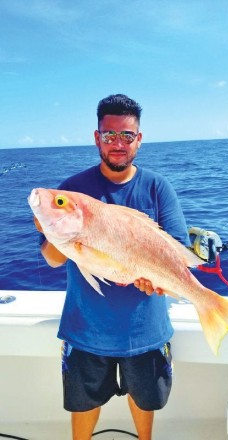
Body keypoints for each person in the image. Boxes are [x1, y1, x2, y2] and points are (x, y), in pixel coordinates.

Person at [38, 94, 190, 440]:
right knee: (83, 406)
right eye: (109, 135)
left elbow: (178, 253)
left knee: (145, 403)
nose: (118, 144)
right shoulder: (72, 190)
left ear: (139, 139)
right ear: (97, 137)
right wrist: (53, 231)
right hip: (86, 329)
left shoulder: (157, 187)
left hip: (146, 330)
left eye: (126, 135)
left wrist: (159, 280)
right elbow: (51, 258)